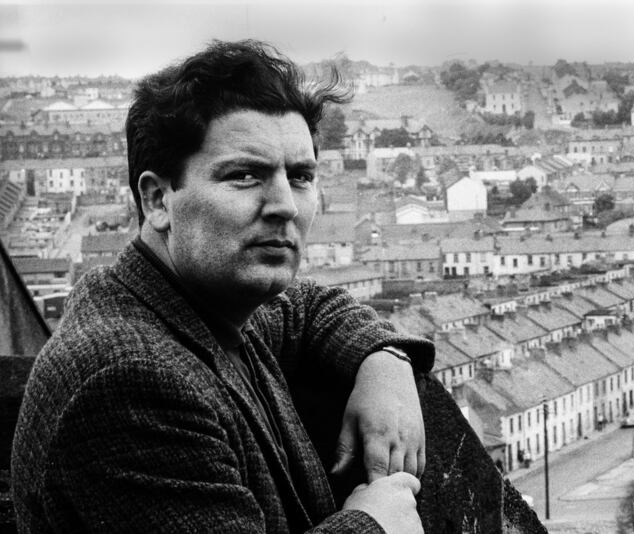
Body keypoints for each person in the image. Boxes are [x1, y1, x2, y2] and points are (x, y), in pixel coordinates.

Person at [11, 40, 435, 533]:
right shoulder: (130, 379)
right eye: (244, 175)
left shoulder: (197, 302)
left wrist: (386, 361)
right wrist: (374, 524)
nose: (285, 206)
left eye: (300, 176)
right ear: (157, 200)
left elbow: (309, 307)